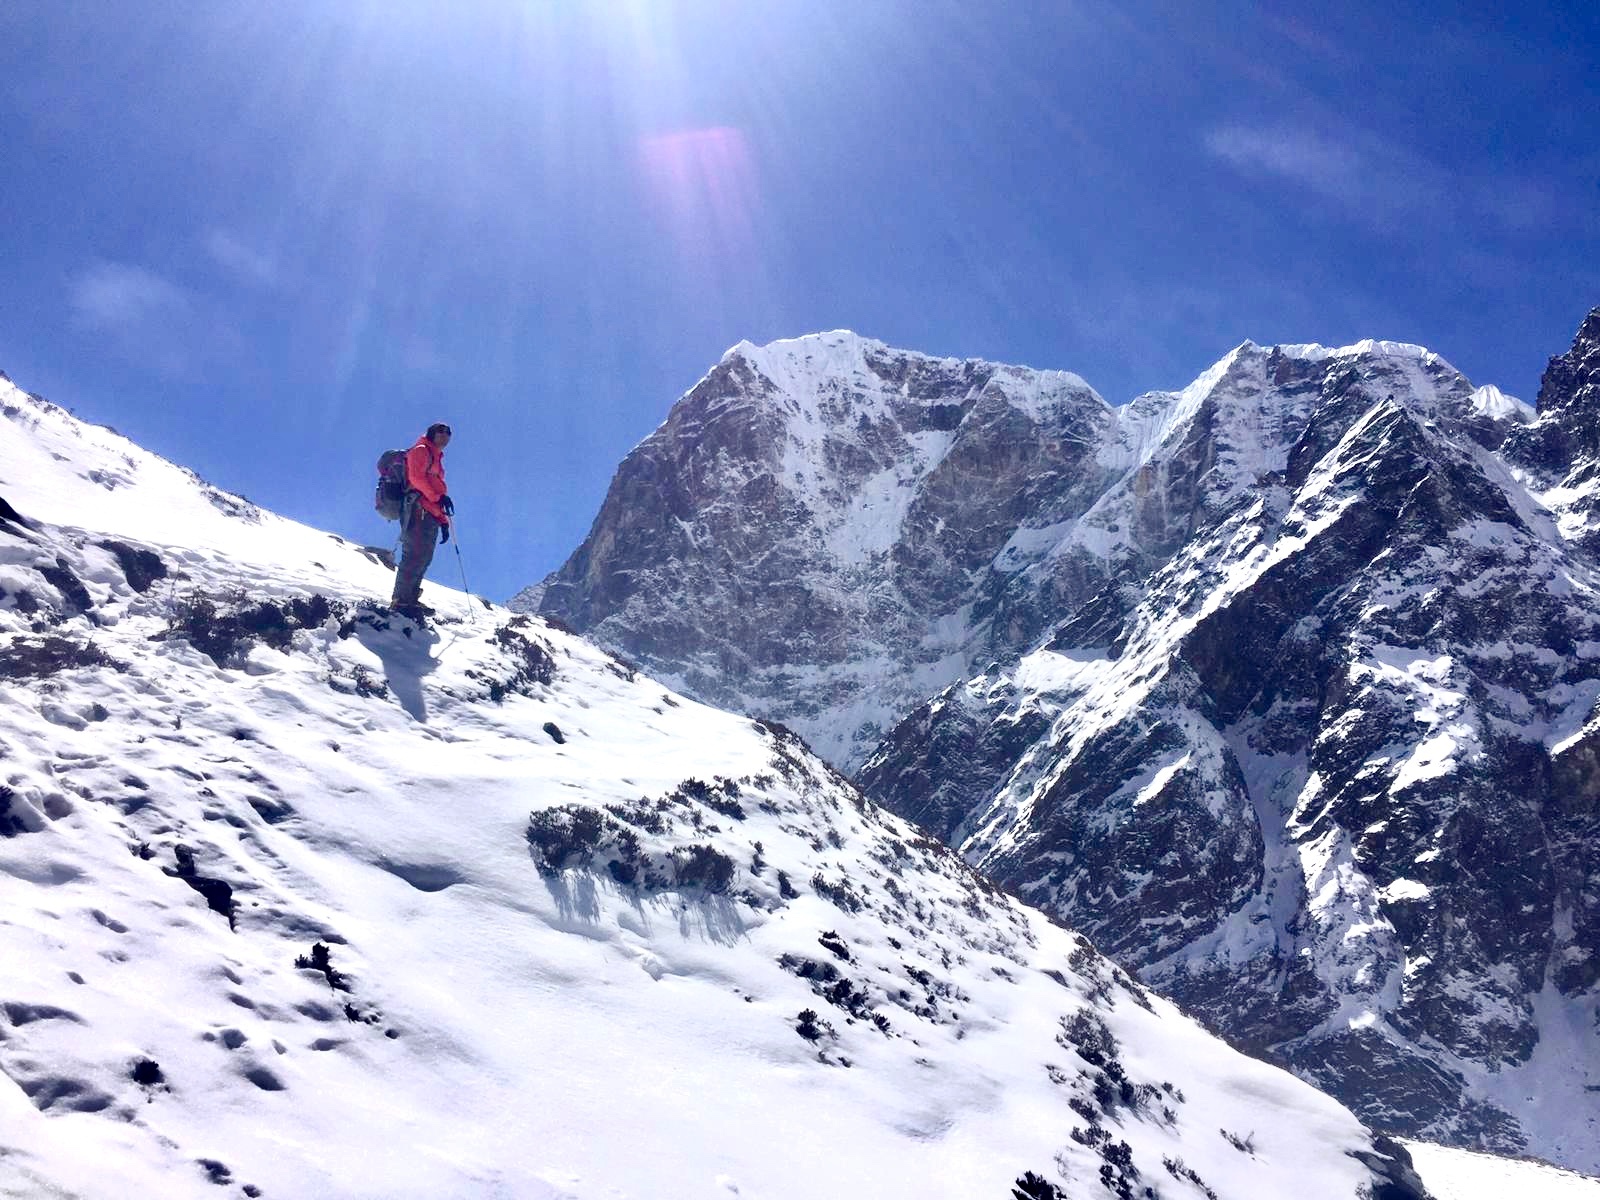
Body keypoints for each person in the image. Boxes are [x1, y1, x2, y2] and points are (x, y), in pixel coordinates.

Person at [390, 422, 454, 617]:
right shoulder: (421, 450)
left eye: (449, 433)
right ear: (431, 434)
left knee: (424, 557)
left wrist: (443, 520)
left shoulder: (435, 457)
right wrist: (438, 498)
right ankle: (400, 600)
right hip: (418, 508)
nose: (446, 436)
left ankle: (410, 598)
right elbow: (417, 479)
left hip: (430, 513)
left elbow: (434, 488)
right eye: (441, 432)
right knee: (415, 554)